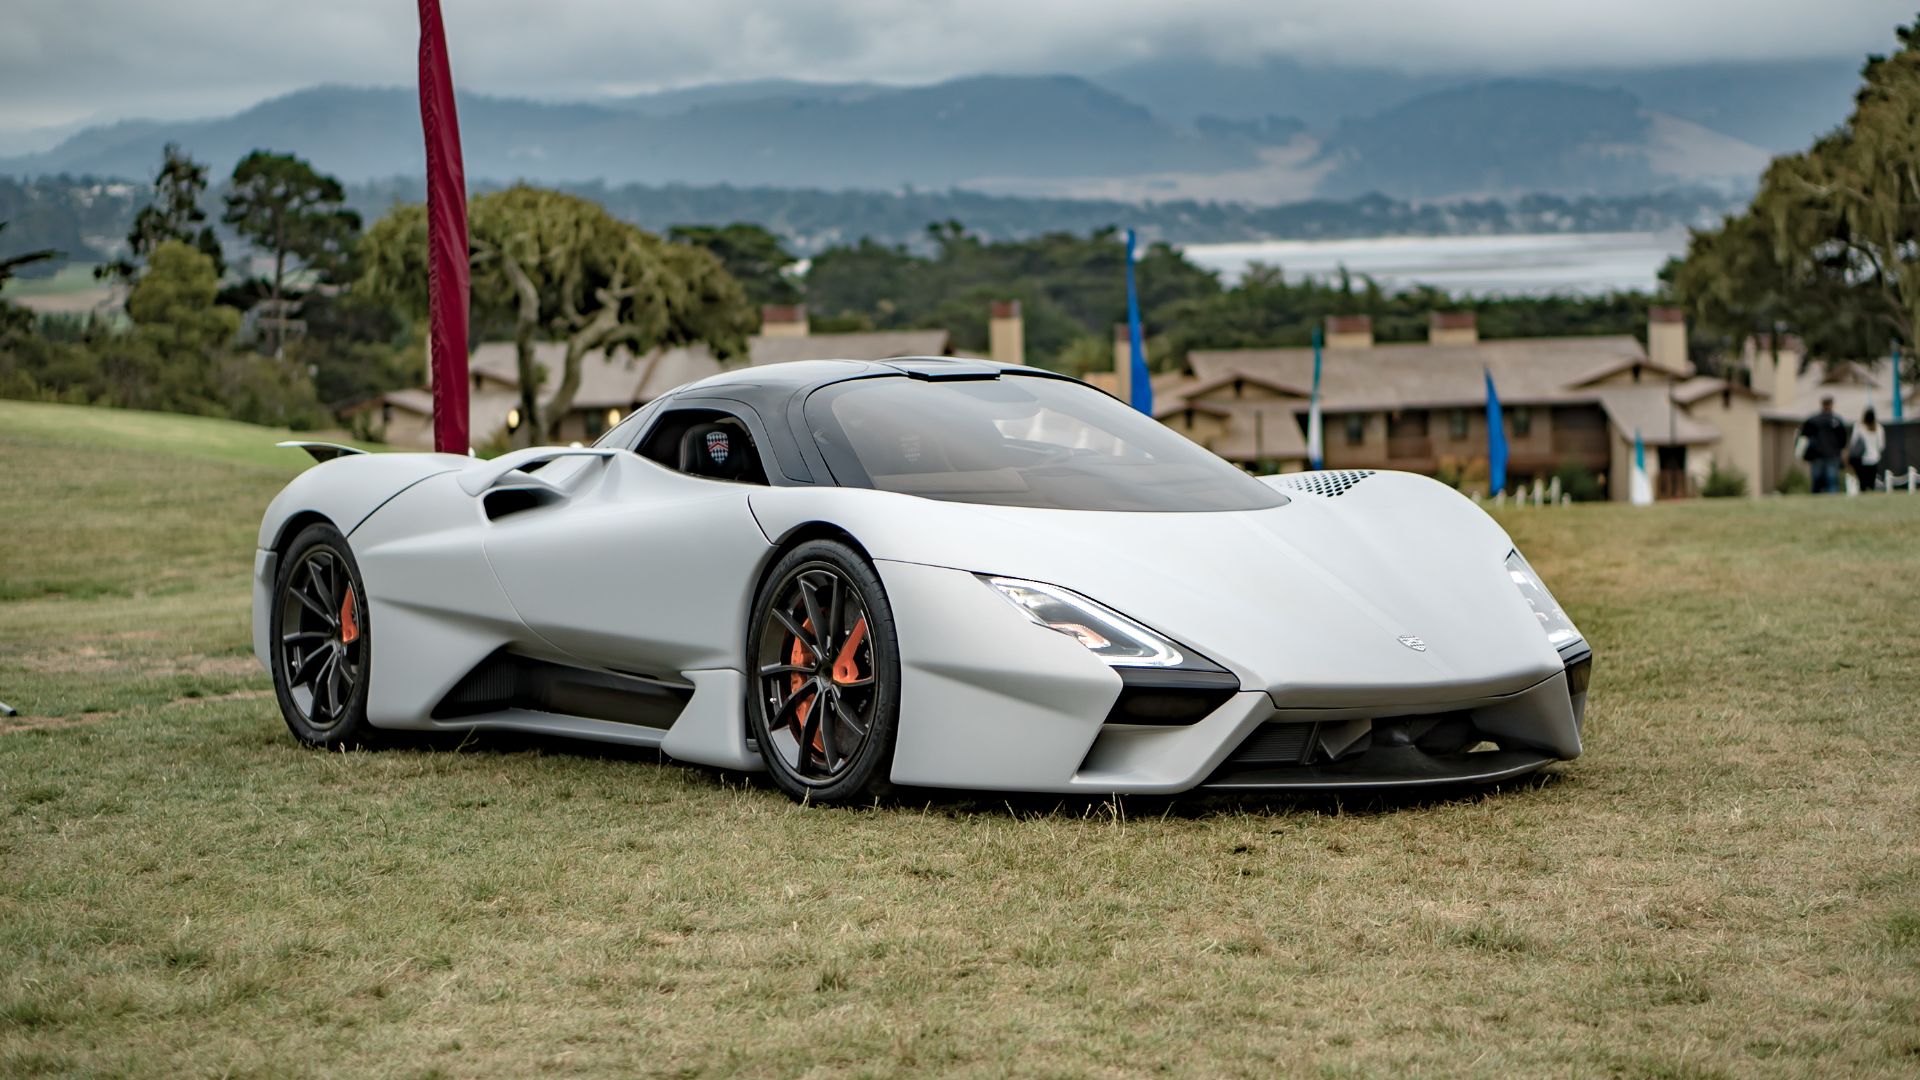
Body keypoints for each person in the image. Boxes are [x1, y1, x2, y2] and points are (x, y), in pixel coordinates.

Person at [1798, 396, 1850, 494]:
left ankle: (1816, 502)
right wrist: (1843, 453)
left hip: (1817, 455)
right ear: (1832, 405)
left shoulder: (1813, 420)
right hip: (1832, 455)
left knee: (1816, 482)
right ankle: (1832, 502)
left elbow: (1803, 437)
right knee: (1832, 482)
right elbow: (1843, 440)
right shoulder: (1837, 421)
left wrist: (1802, 454)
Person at [1849, 406, 1886, 492]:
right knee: (1871, 482)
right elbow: (1881, 445)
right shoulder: (1879, 428)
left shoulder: (1858, 427)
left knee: (1862, 483)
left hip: (1861, 458)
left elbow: (1853, 442)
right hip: (1874, 458)